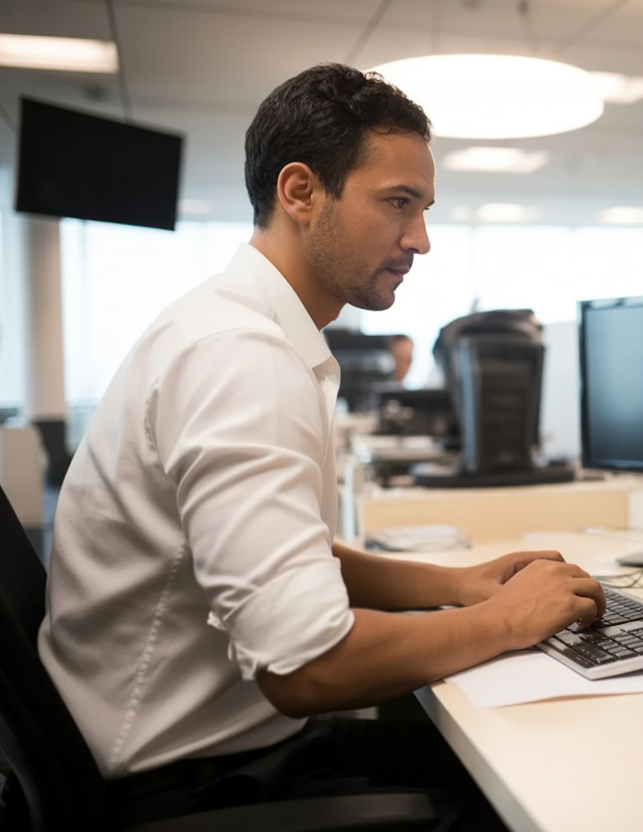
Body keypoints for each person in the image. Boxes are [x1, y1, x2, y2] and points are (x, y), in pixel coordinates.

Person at [38, 63, 605, 829]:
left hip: (220, 748)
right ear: (300, 192)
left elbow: (282, 560)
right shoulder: (242, 357)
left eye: (424, 208)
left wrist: (456, 582)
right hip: (193, 783)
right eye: (398, 204)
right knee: (546, 802)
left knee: (533, 762)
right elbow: (304, 665)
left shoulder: (232, 327)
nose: (422, 239)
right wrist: (509, 620)